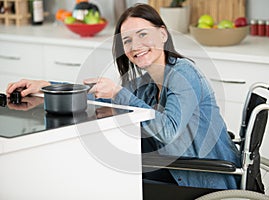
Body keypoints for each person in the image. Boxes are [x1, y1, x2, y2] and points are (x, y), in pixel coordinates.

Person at [6, 4, 240, 189]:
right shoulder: (149, 81)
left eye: (142, 35)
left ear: (162, 34)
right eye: (127, 40)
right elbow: (104, 99)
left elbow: (168, 130)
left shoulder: (183, 75)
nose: (135, 45)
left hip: (200, 176)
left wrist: (119, 93)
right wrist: (47, 86)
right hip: (175, 166)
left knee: (111, 182)